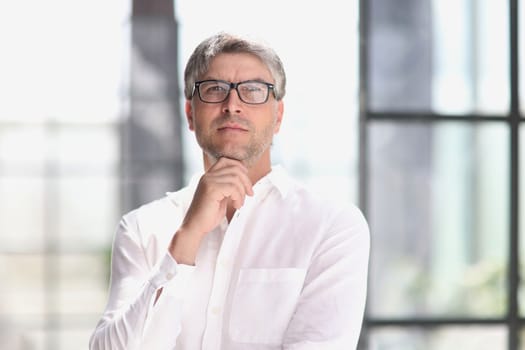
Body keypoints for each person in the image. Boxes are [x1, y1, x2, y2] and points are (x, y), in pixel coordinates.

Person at [89, 32, 370, 350]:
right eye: (214, 90)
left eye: (252, 90)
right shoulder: (141, 228)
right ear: (190, 115)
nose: (232, 105)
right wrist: (186, 239)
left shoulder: (332, 226)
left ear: (278, 116)